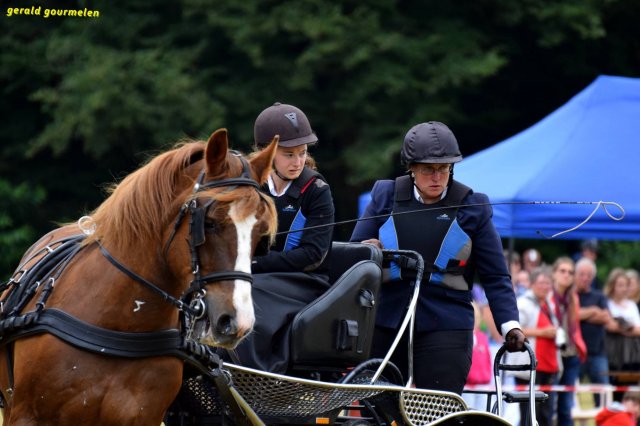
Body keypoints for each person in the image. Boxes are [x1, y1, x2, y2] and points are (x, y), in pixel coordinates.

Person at [350, 121, 525, 394]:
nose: (437, 177)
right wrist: (368, 250)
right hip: (386, 319)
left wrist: (510, 325)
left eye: (444, 169)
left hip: (447, 322)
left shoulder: (473, 207)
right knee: (380, 409)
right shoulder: (385, 196)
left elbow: (495, 275)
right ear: (411, 168)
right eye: (428, 170)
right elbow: (352, 255)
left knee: (438, 409)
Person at [234, 102, 335, 373]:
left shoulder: (317, 190)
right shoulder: (249, 186)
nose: (298, 162)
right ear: (267, 154)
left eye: (302, 153)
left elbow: (313, 255)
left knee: (250, 295)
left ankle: (254, 375)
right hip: (254, 274)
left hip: (305, 281)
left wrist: (255, 266)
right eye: (289, 154)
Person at [514, 266, 562, 426]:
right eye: (541, 282)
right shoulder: (522, 303)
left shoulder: (551, 305)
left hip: (549, 365)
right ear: (532, 284)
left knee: (546, 413)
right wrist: (542, 332)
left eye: (548, 283)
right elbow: (515, 330)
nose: (545, 287)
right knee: (529, 412)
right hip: (528, 367)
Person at [551, 256, 587, 426]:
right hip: (552, 355)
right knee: (548, 404)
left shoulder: (573, 298)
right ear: (554, 273)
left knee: (566, 406)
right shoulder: (548, 295)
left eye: (570, 272)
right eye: (562, 271)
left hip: (571, 354)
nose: (566, 275)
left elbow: (574, 326)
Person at [576, 257, 616, 407]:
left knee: (603, 394)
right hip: (577, 353)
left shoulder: (599, 296)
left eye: (589, 275)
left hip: (598, 352)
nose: (585, 278)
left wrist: (582, 315)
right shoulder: (572, 295)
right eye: (582, 274)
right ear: (576, 275)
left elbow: (607, 317)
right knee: (571, 395)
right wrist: (593, 311)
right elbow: (573, 316)